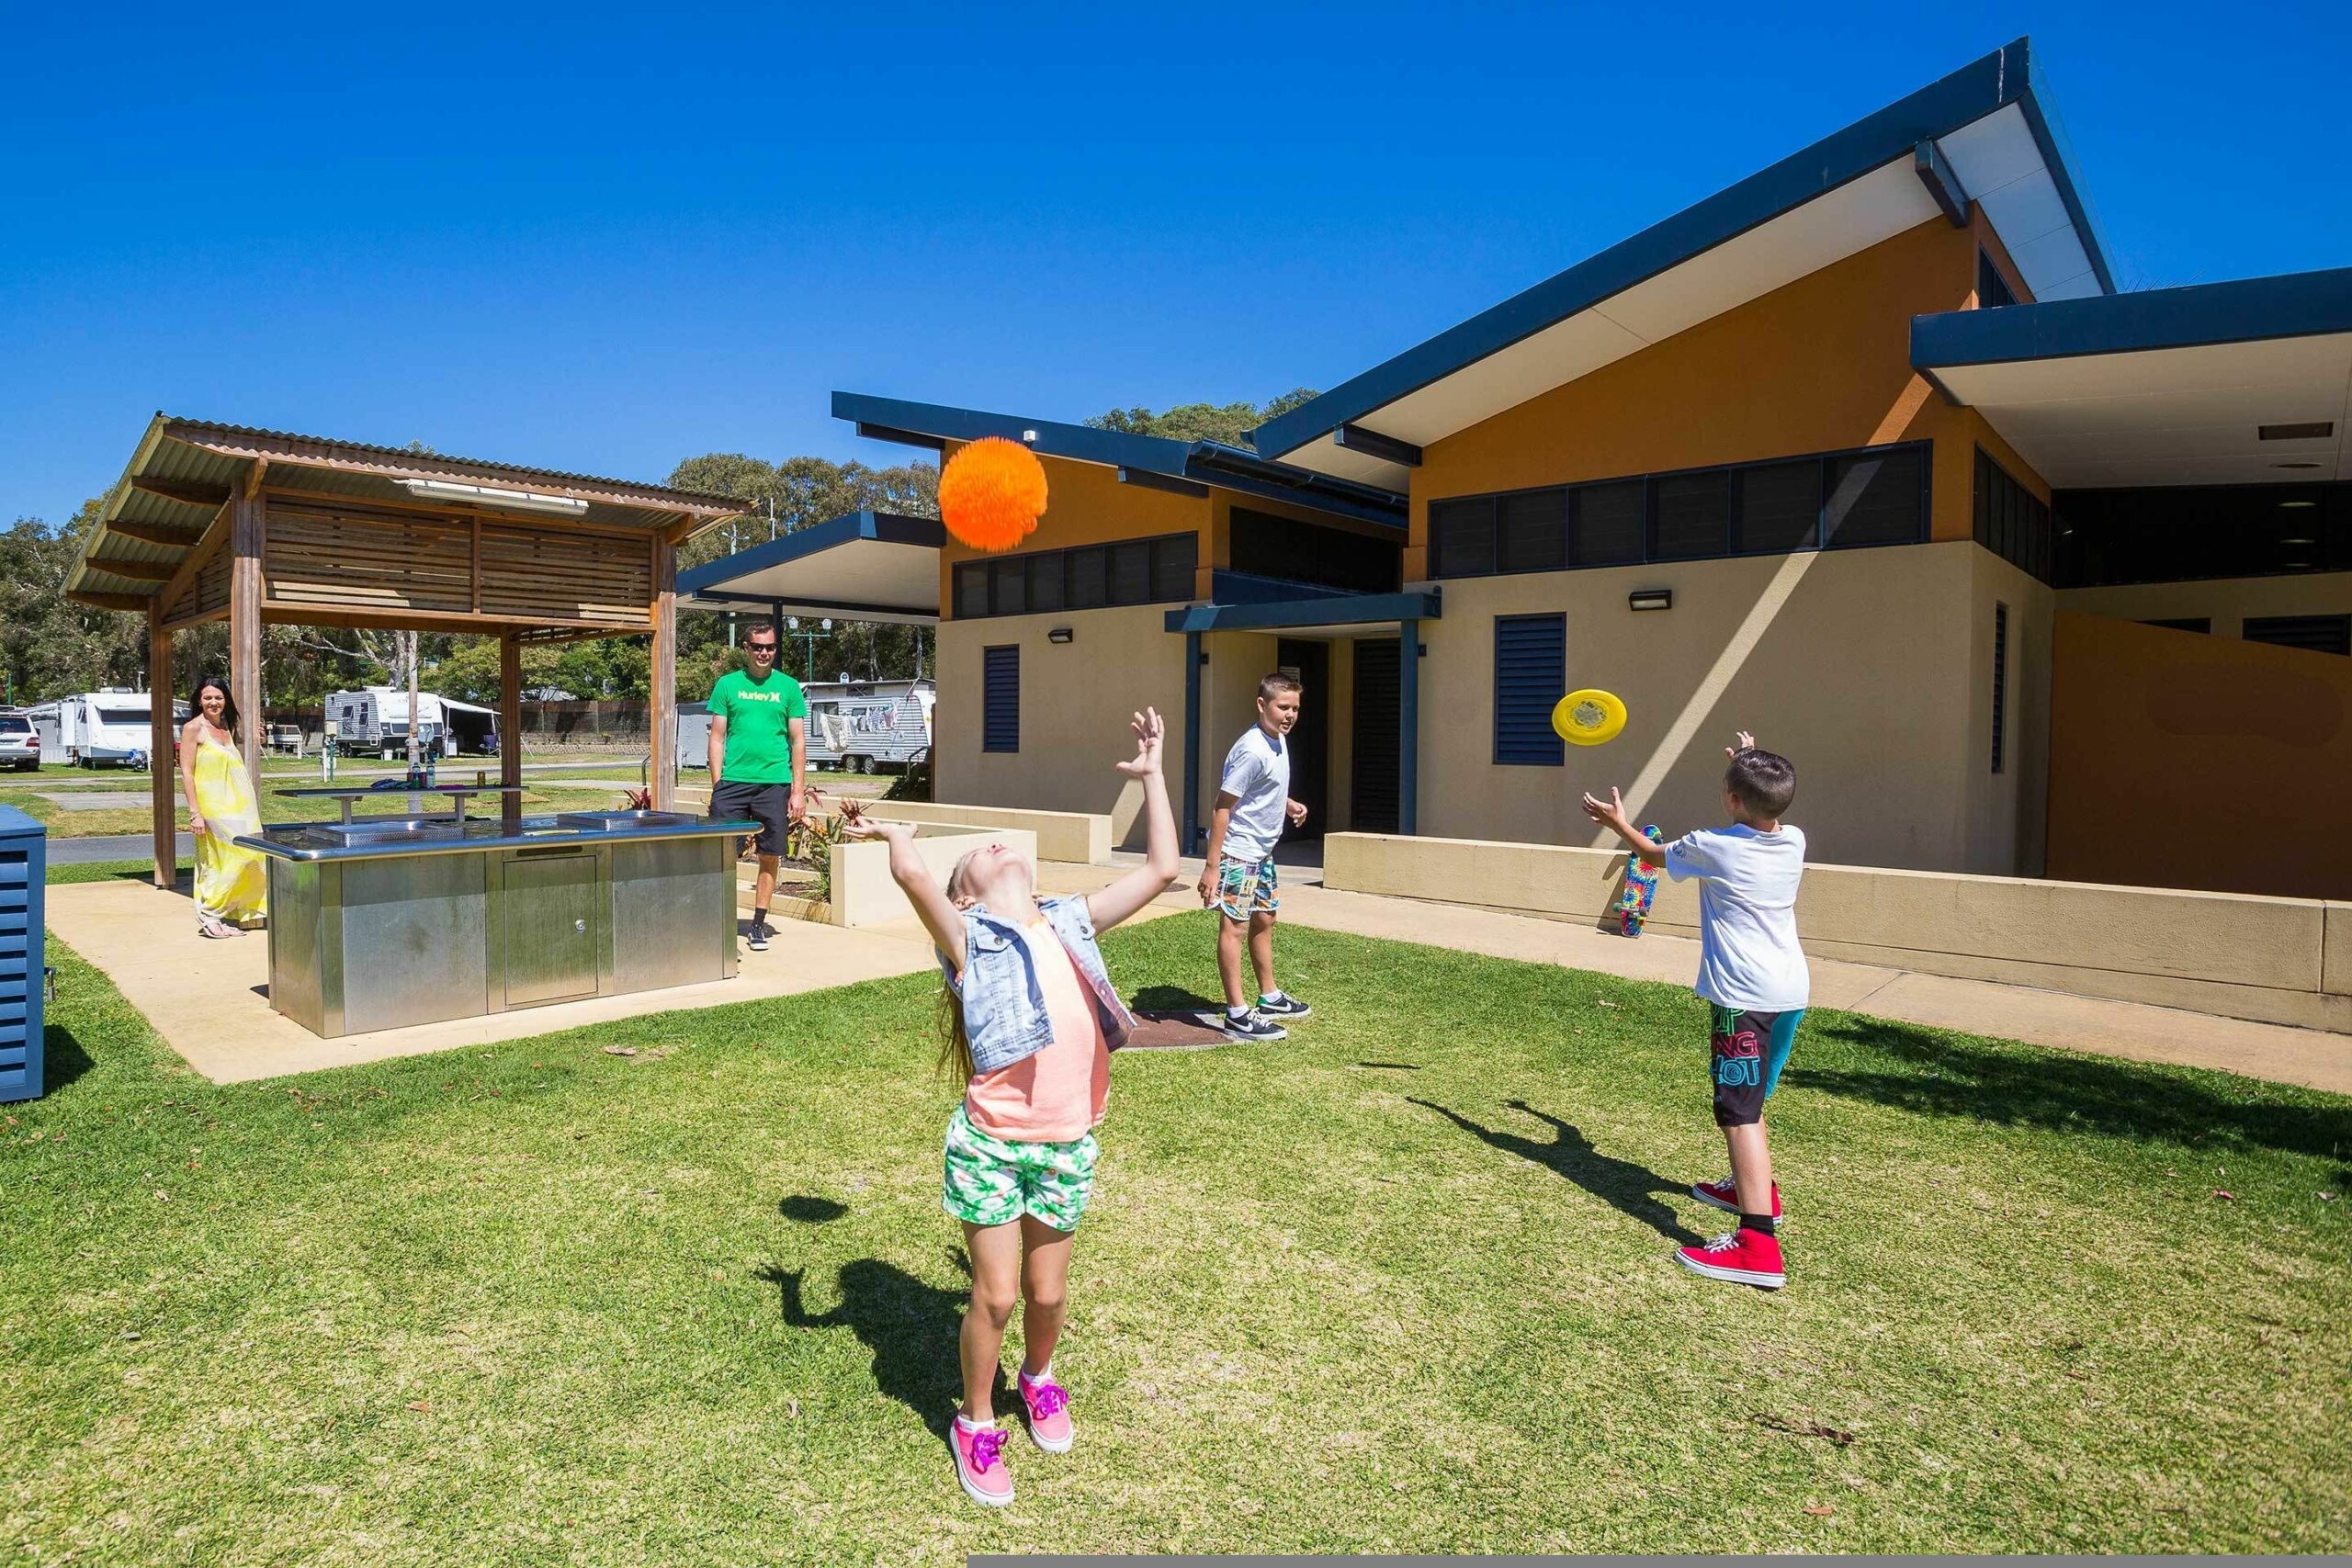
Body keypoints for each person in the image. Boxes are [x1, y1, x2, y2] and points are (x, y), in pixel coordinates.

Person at [843, 708, 1177, 1508]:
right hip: (992, 1144)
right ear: (969, 894)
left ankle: (1039, 1374)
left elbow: (1164, 866)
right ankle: (977, 1419)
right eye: (978, 854)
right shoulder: (973, 941)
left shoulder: (1070, 921)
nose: (996, 846)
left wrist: (1154, 773)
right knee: (994, 1296)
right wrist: (899, 841)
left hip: (1067, 1141)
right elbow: (916, 881)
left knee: (1048, 1293)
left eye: (1002, 843)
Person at [1582, 729, 1806, 1290]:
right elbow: (1760, 799)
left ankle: (1757, 1247)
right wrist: (1748, 764)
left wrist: (1617, 823)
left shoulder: (1715, 844)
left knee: (1738, 1111)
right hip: (1789, 993)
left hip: (1743, 1000)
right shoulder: (1795, 839)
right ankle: (1752, 1188)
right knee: (1753, 1099)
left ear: (1732, 799)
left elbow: (1652, 856)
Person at [1194, 671, 1311, 1043]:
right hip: (1237, 853)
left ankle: (1270, 996)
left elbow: (1259, 791)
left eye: (1294, 707)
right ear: (1262, 704)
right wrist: (1212, 868)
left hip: (1262, 852)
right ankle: (1238, 1014)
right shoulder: (1253, 749)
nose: (1289, 714)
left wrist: (1286, 803)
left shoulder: (1277, 740)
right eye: (1282, 707)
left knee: (1265, 918)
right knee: (1235, 928)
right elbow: (1222, 807)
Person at [705, 622, 808, 952]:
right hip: (733, 783)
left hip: (773, 784)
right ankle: (718, 921)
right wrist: (719, 784)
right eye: (758, 647)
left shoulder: (789, 687)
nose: (765, 653)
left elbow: (798, 741)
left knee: (770, 855)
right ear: (746, 649)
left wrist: (797, 791)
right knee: (722, 854)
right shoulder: (727, 685)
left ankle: (758, 924)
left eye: (771, 647)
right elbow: (717, 738)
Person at [177, 677, 267, 940]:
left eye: (218, 697)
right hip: (214, 805)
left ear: (225, 700)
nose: (213, 702)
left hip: (241, 804)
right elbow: (186, 772)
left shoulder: (228, 726)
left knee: (255, 856)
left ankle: (242, 910)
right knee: (230, 857)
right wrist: (195, 812)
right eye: (207, 698)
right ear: (198, 700)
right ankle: (209, 913)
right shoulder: (193, 728)